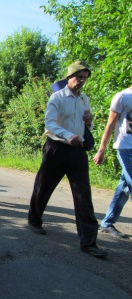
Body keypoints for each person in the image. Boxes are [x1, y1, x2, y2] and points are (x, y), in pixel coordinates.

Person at [27, 60, 107, 258]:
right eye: (78, 77)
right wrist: (67, 135)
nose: (81, 81)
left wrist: (89, 123)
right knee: (43, 187)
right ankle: (34, 220)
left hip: (78, 152)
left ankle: (89, 242)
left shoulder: (84, 99)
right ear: (69, 78)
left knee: (83, 196)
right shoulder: (57, 97)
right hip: (57, 149)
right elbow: (50, 124)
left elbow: (86, 126)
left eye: (84, 78)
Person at [93, 86, 132, 238]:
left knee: (124, 188)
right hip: (125, 148)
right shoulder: (122, 97)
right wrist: (101, 150)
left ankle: (107, 223)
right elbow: (109, 125)